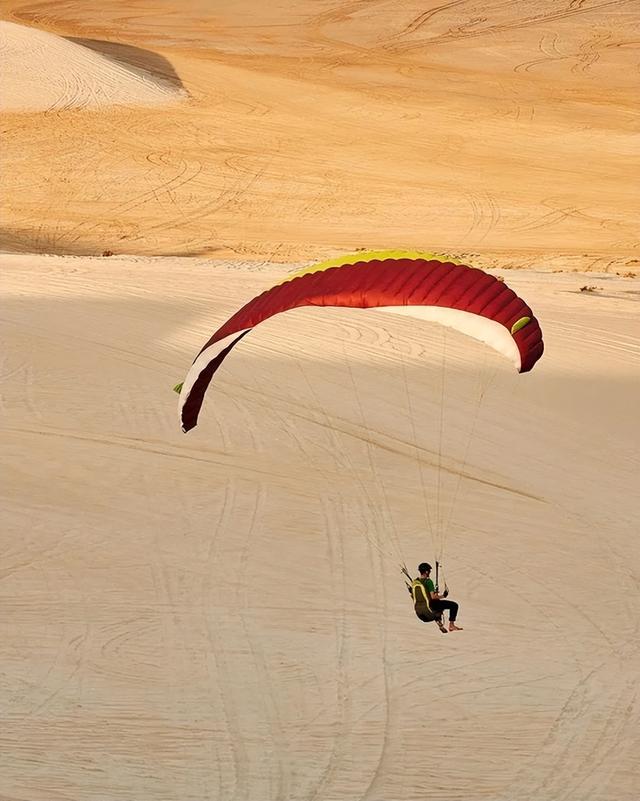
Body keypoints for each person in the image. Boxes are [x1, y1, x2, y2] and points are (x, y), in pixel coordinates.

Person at [417, 562, 463, 632]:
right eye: (429, 571)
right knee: (454, 605)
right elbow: (432, 597)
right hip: (431, 604)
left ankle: (438, 619)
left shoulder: (416, 582)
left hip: (422, 605)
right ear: (426, 571)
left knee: (439, 604)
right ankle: (451, 625)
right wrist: (443, 596)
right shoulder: (429, 582)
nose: (430, 572)